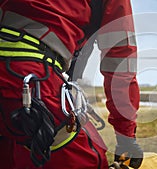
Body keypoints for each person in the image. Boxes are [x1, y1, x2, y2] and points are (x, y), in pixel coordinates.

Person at [0, 0, 143, 169]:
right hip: (32, 78)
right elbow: (120, 63)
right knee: (87, 159)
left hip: (21, 78)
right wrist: (126, 135)